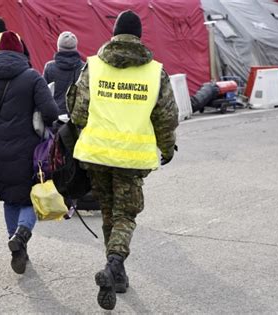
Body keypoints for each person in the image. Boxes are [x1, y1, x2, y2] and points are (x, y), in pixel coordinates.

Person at [69, 10, 179, 310]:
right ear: (139, 37)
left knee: (108, 213)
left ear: (114, 33)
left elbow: (78, 113)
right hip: (131, 159)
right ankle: (114, 264)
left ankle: (116, 273)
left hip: (96, 155)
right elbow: (166, 117)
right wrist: (167, 149)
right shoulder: (155, 72)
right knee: (125, 215)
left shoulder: (92, 66)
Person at [0, 31, 58, 274]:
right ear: (20, 52)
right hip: (30, 152)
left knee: (9, 199)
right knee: (30, 197)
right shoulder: (32, 77)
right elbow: (50, 112)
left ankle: (18, 246)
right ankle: (21, 235)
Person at [43, 31, 84, 115]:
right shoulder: (84, 68)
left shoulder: (49, 67)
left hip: (54, 115)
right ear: (75, 47)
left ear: (59, 47)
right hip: (75, 116)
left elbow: (43, 94)